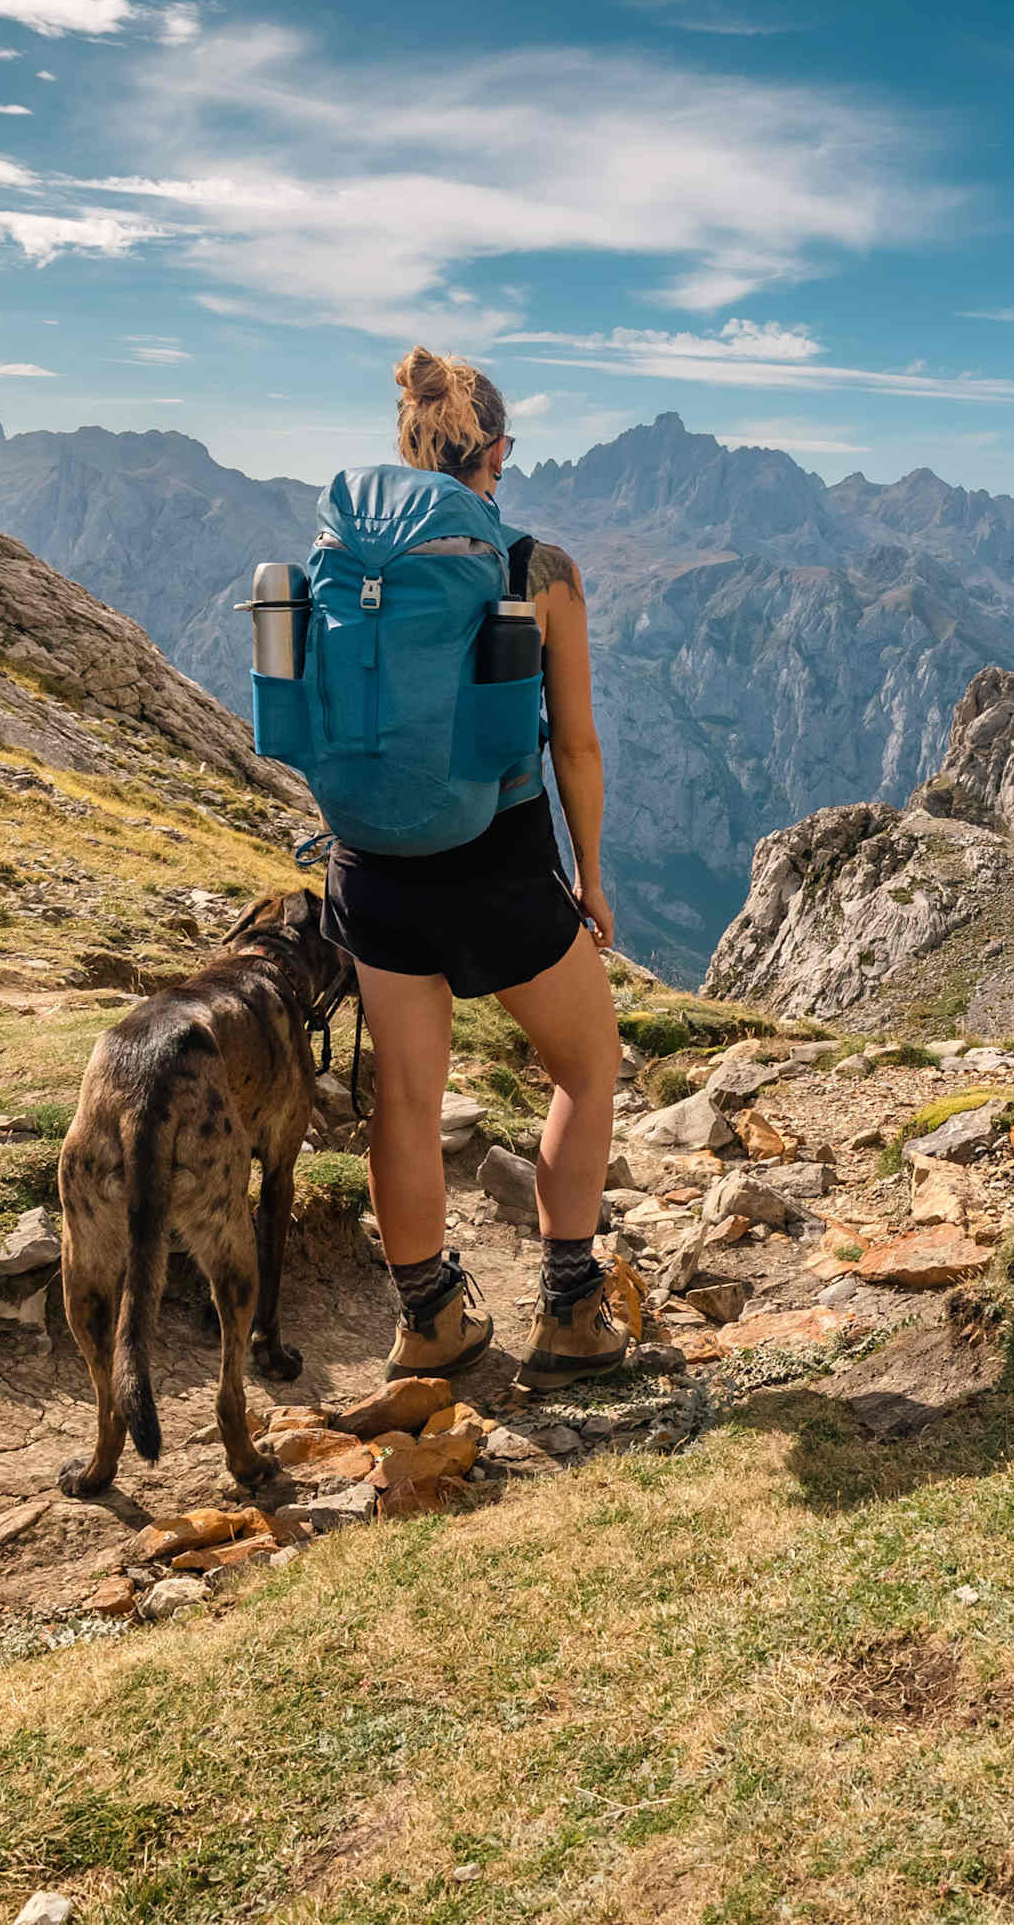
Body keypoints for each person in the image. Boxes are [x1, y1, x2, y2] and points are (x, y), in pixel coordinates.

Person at [325, 347, 628, 1385]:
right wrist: (589, 876)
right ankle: (573, 1313)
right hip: (494, 855)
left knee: (407, 1096)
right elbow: (574, 745)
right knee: (588, 1066)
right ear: (498, 450)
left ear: (407, 444)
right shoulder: (538, 567)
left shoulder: (349, 557)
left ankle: (428, 1322)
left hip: (368, 859)